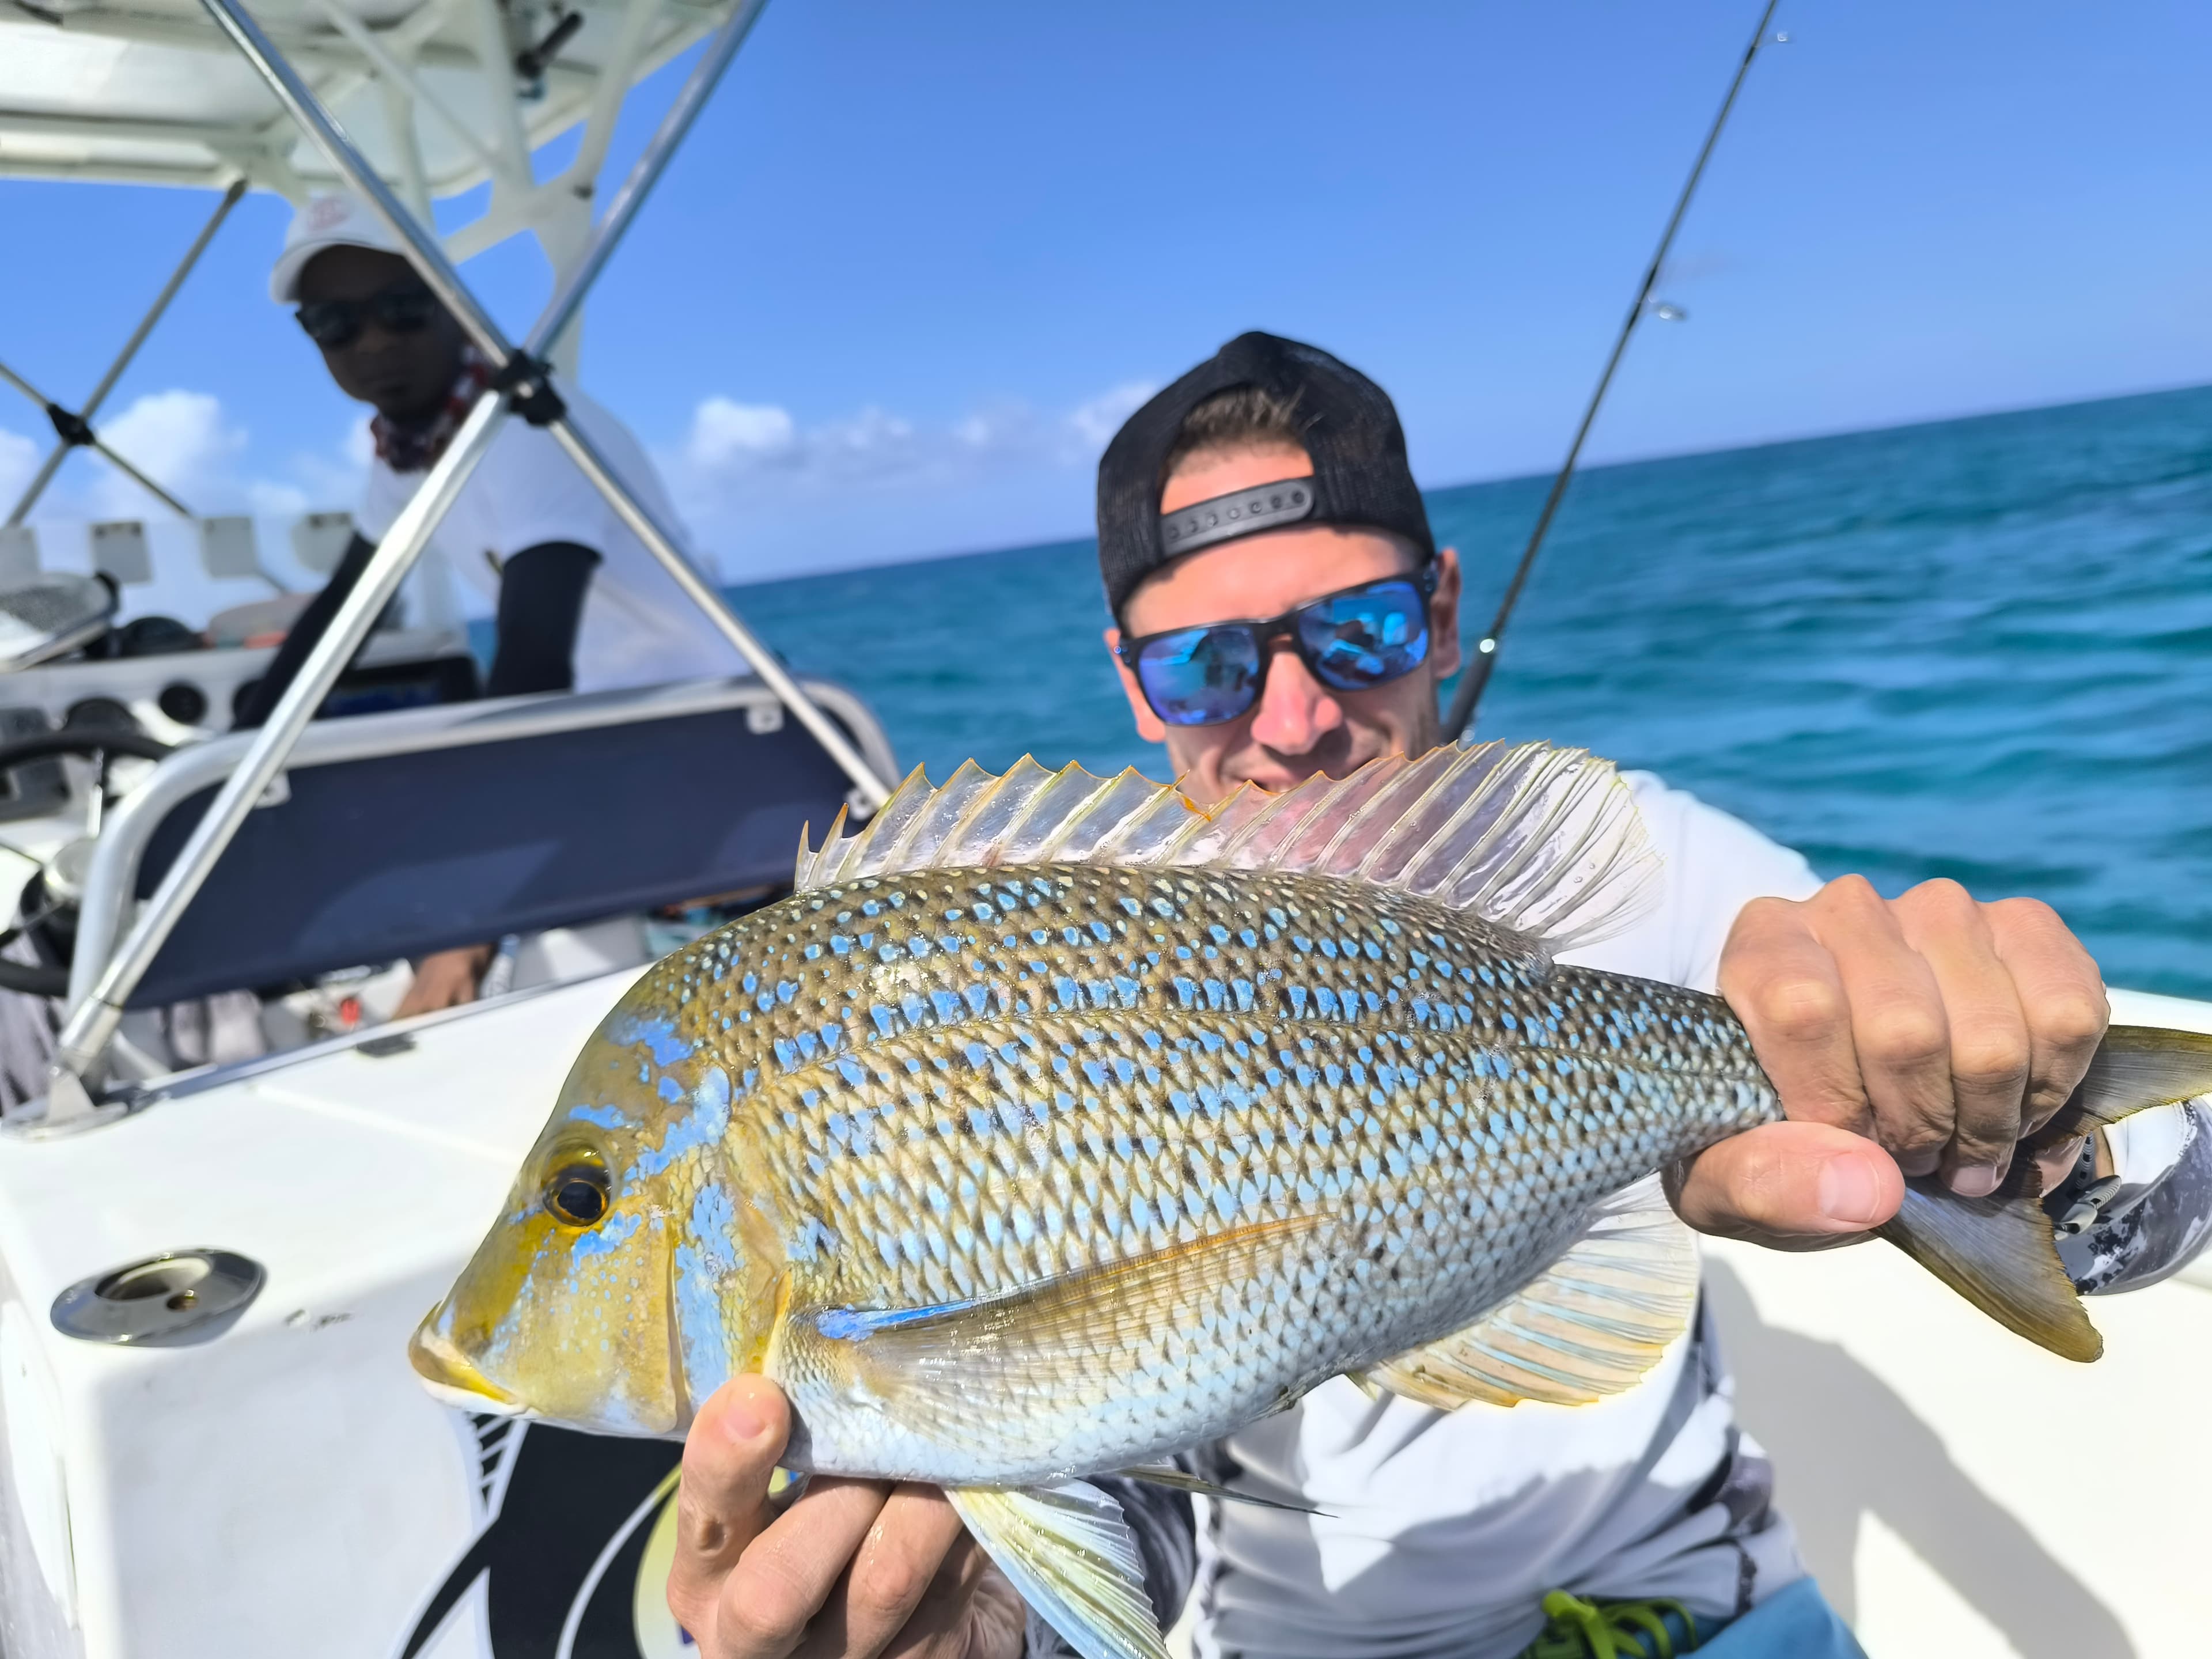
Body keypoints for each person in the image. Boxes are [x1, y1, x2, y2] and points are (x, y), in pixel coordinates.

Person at [658, 334, 2212, 1659]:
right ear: (1133, 685)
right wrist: (999, 1609)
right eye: (1207, 665)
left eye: (1359, 632)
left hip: (1716, 1612)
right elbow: (1133, 1447)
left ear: (1445, 606)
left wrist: (2032, 1138)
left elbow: (2029, 1116)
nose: (1295, 718)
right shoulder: (1066, 991)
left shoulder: (1636, 874)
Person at [252, 192, 740, 1018]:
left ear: (451, 304)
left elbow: (533, 660)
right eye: (333, 323)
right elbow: (341, 618)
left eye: (399, 309)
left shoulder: (527, 427)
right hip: (609, 741)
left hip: (712, 743)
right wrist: (229, 758)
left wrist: (469, 920)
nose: (371, 343)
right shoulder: (409, 451)